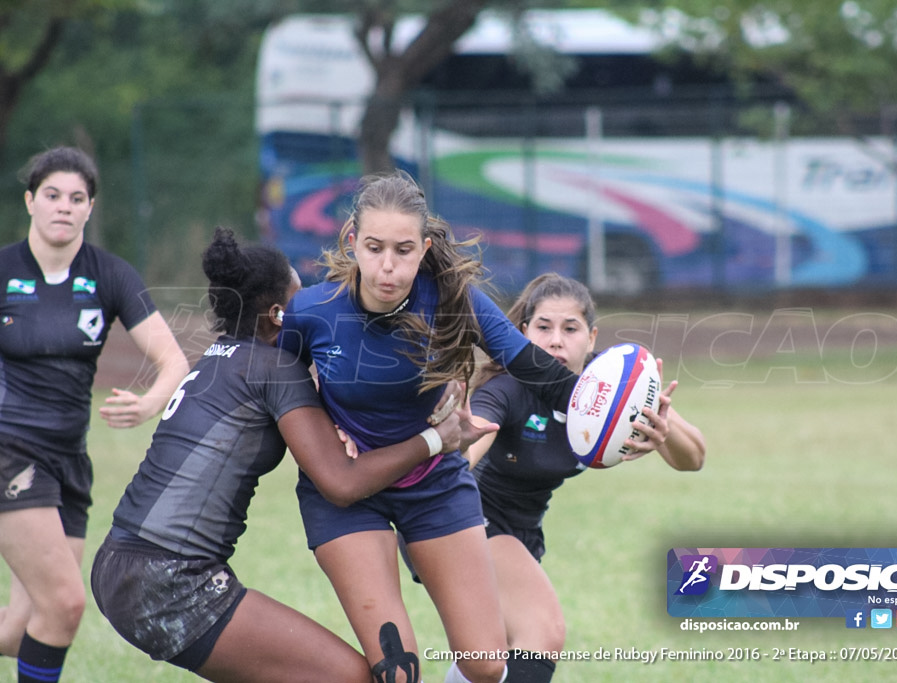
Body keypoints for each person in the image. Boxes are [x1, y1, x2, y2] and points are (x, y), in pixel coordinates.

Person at [90, 227, 485, 682]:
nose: (317, 309)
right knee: (354, 678)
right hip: (168, 580)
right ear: (280, 314)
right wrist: (438, 439)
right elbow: (341, 483)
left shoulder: (219, 359)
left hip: (120, 562)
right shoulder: (275, 368)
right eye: (303, 298)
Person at [279, 171, 579, 683]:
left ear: (424, 248)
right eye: (374, 248)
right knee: (398, 672)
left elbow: (529, 364)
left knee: (486, 667)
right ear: (352, 241)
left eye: (403, 250)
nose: (388, 267)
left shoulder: (453, 302)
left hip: (434, 484)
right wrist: (325, 425)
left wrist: (610, 408)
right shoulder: (310, 312)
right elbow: (279, 389)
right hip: (350, 495)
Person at [0, 147, 190, 683]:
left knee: (25, 626)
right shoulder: (4, 269)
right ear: (30, 201)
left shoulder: (109, 275)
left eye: (76, 198)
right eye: (53, 195)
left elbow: (173, 359)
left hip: (69, 463)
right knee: (64, 604)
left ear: (90, 208)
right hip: (9, 452)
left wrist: (150, 402)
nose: (64, 206)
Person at [464, 273, 707, 682]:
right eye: (543, 327)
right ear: (523, 333)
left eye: (570, 328)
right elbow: (464, 453)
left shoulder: (610, 387)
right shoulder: (506, 389)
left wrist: (662, 428)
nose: (556, 340)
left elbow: (694, 458)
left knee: (491, 661)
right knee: (542, 630)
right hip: (466, 520)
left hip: (523, 534)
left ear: (592, 338)